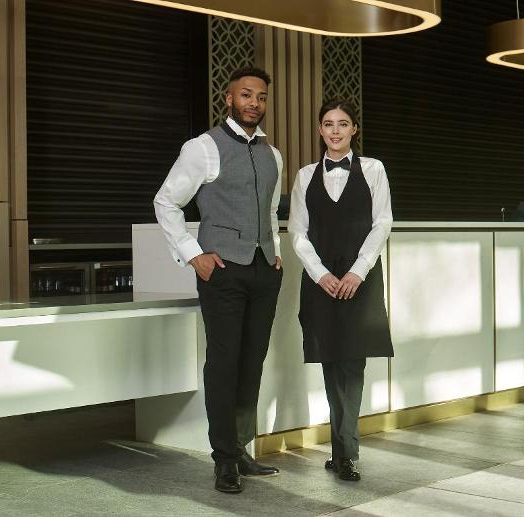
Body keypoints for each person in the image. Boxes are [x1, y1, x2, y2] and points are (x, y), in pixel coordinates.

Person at [154, 66, 283, 494]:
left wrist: (276, 253)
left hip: (264, 270)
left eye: (261, 97)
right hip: (222, 271)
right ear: (229, 99)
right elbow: (166, 201)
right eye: (246, 95)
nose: (254, 103)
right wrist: (194, 256)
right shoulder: (203, 147)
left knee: (252, 362)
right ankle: (223, 459)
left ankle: (241, 447)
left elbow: (269, 211)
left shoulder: (273, 154)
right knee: (224, 364)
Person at [288, 98, 394, 481]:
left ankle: (345, 452)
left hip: (359, 281)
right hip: (321, 283)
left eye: (343, 123)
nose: (335, 130)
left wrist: (357, 272)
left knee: (353, 363)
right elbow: (297, 232)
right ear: (320, 130)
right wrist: (321, 275)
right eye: (329, 124)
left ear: (354, 130)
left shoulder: (373, 169)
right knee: (331, 362)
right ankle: (342, 449)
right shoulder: (303, 176)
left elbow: (382, 223)